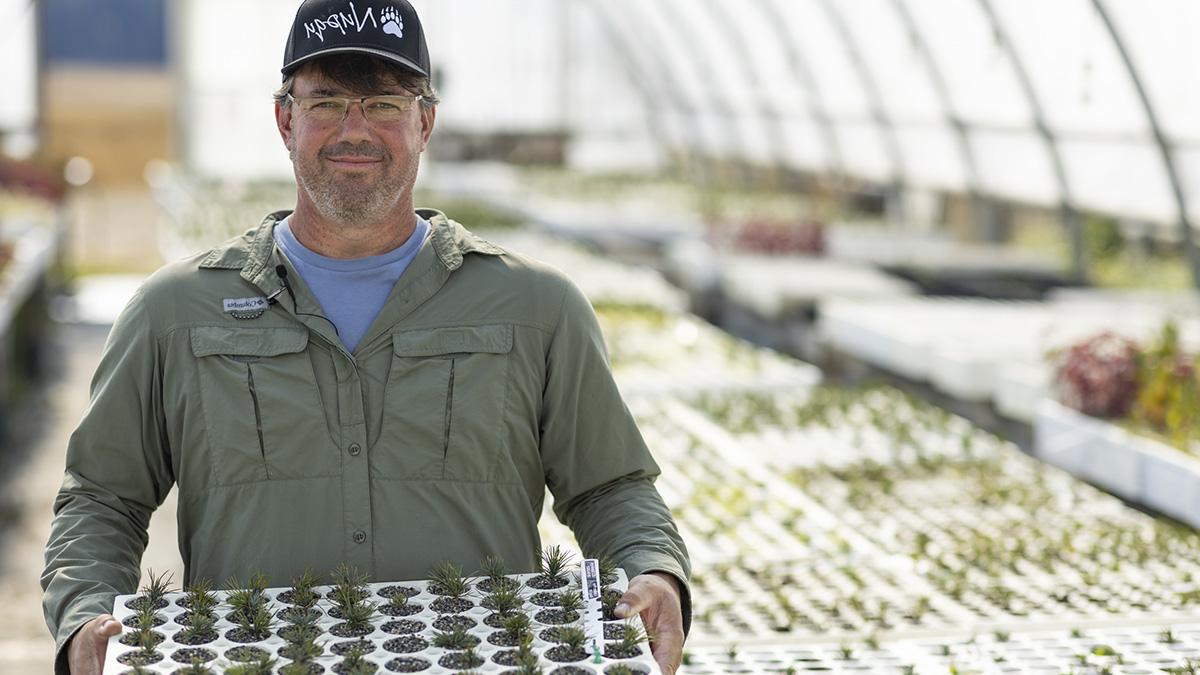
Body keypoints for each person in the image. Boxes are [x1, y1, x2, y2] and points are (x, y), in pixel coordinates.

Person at [41, 1, 691, 673]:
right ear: (284, 119)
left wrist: (654, 571)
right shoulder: (174, 313)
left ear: (425, 121)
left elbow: (610, 487)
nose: (355, 129)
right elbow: (101, 496)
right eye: (326, 102)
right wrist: (86, 610)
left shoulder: (537, 309)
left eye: (383, 102)